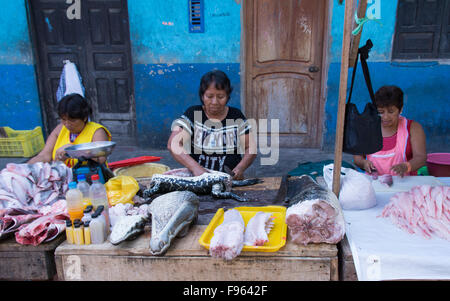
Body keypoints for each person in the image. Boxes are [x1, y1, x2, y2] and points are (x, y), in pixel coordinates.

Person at [168, 70, 257, 180]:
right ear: (202, 96)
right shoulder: (193, 114)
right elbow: (173, 144)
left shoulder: (236, 116)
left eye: (220, 96)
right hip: (199, 179)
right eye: (209, 96)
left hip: (229, 180)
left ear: (228, 96)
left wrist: (240, 168)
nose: (215, 102)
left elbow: (251, 148)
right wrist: (196, 168)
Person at [353, 85, 426, 176]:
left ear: (400, 109)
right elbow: (357, 158)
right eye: (381, 112)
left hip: (405, 184)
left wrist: (407, 166)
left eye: (391, 112)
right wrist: (364, 163)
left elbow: (421, 158)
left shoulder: (413, 128)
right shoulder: (367, 128)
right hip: (374, 184)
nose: (386, 117)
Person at [28, 93, 111, 168]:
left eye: (72, 120)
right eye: (63, 119)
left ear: (85, 117)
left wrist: (73, 150)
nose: (67, 124)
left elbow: (101, 159)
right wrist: (24, 167)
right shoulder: (60, 129)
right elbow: (45, 155)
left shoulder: (97, 131)